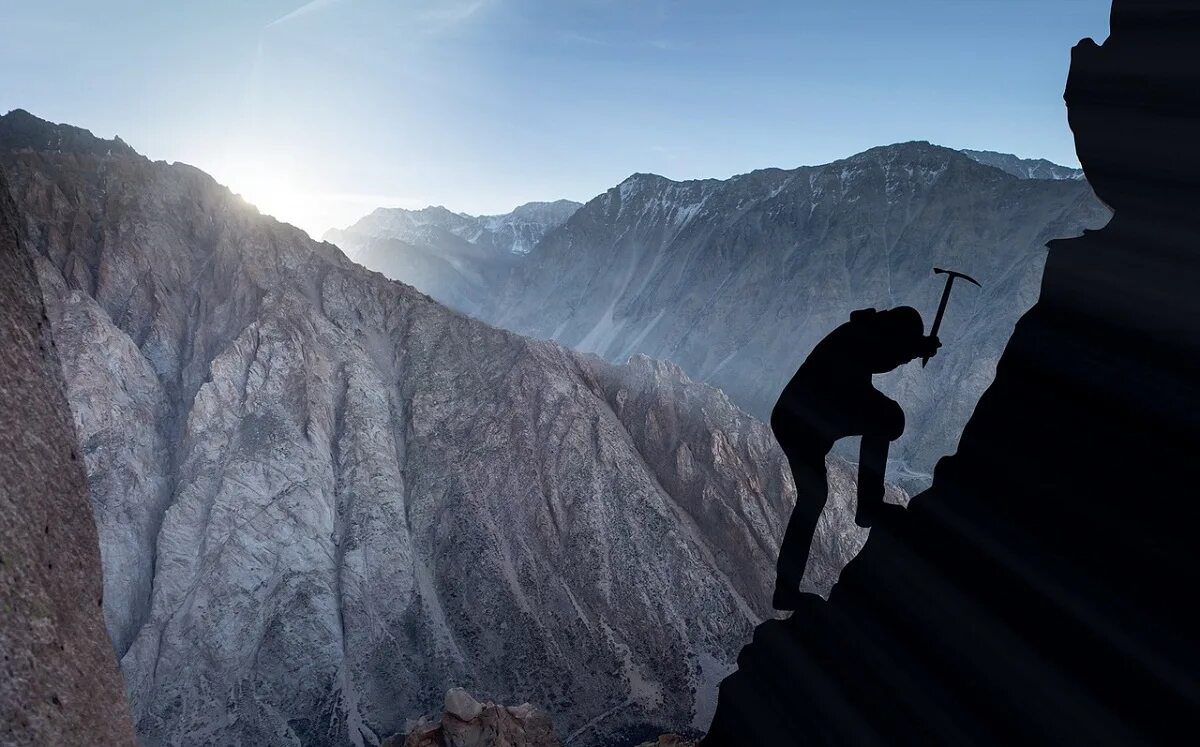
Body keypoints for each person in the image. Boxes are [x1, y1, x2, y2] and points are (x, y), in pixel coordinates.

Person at [770, 306, 939, 611]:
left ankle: (786, 587)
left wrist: (914, 347)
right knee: (888, 419)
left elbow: (882, 354)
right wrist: (915, 348)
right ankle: (869, 505)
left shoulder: (861, 333)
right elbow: (882, 355)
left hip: (799, 420)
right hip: (801, 423)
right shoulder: (859, 341)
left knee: (813, 498)